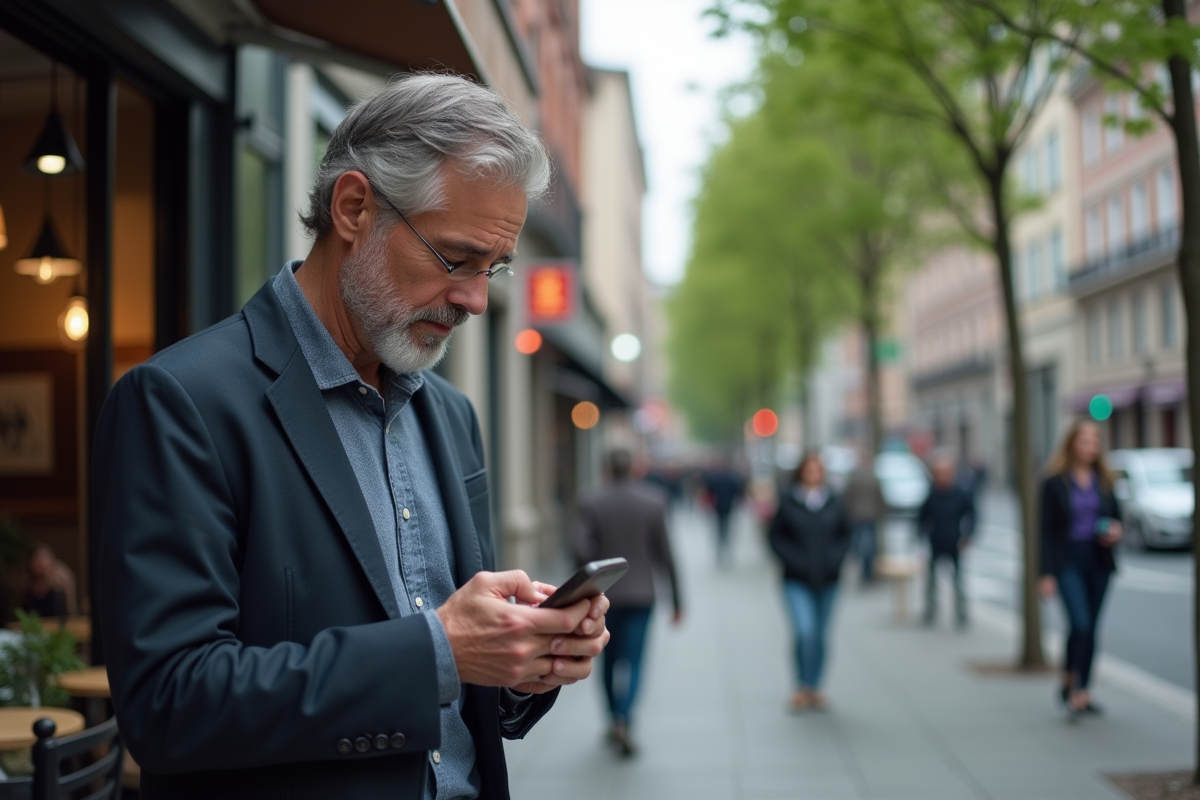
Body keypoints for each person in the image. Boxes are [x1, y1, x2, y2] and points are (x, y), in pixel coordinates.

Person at [94, 74, 610, 800]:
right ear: (354, 208)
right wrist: (438, 650)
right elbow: (169, 705)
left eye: (493, 269)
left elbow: (463, 700)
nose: (474, 299)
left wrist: (525, 658)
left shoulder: (451, 415)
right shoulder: (180, 402)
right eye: (455, 258)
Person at [575, 449, 682, 757]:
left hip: (604, 595)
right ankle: (625, 718)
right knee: (634, 660)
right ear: (635, 469)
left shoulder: (592, 500)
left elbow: (579, 548)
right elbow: (666, 555)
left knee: (607, 659)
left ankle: (613, 718)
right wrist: (677, 600)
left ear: (607, 469)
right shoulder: (654, 500)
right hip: (641, 595)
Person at [1038, 419, 1121, 719]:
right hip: (1067, 560)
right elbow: (1045, 531)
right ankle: (1069, 677)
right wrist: (1045, 573)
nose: (1091, 447)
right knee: (1080, 624)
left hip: (1099, 560)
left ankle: (1083, 690)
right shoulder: (1054, 482)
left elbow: (1117, 517)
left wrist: (1115, 531)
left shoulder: (1105, 480)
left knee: (1093, 628)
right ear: (1072, 443)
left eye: (1095, 441)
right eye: (1085, 441)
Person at [767, 451, 851, 712]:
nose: (813, 474)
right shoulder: (788, 501)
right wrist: (793, 560)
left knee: (821, 635)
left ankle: (815, 686)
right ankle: (801, 684)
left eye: (817, 470)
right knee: (805, 632)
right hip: (796, 579)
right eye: (809, 469)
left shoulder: (834, 501)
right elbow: (775, 537)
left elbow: (845, 535)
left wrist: (835, 560)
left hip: (829, 579)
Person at [917, 455, 976, 628]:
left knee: (958, 581)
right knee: (931, 581)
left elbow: (972, 515)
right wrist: (922, 537)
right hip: (935, 542)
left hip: (954, 542)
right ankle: (930, 612)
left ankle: (961, 614)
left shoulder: (960, 493)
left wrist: (967, 536)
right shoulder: (932, 494)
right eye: (938, 473)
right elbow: (922, 518)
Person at [842, 454, 886, 583]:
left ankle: (860, 566)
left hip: (857, 516)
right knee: (870, 546)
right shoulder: (874, 479)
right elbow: (880, 498)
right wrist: (881, 513)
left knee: (859, 544)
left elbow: (847, 498)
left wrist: (848, 514)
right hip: (871, 516)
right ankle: (867, 572)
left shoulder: (854, 479)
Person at [704, 462, 744, 565]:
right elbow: (738, 492)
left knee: (719, 528)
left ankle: (720, 550)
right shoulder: (731, 479)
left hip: (718, 507)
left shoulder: (714, 479)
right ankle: (727, 548)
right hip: (728, 506)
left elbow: (709, 491)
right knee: (727, 528)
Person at [19, 544, 73, 619]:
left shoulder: (59, 586)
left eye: (44, 559)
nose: (41, 564)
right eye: (37, 560)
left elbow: (69, 610)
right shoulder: (27, 588)